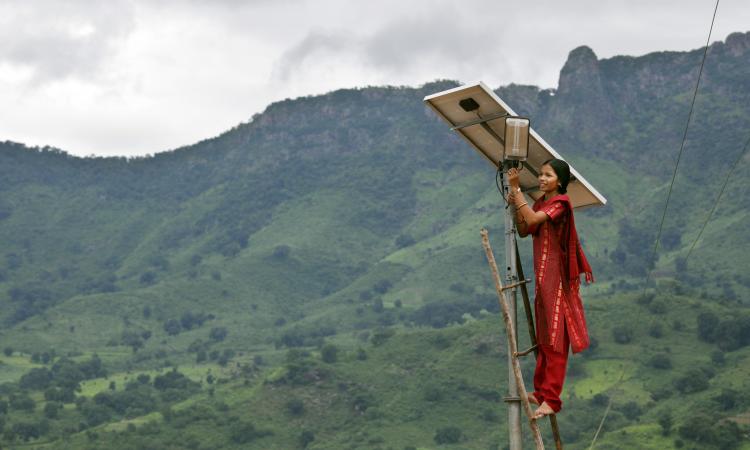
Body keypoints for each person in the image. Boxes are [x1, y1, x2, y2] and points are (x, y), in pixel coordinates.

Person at [506, 158, 594, 420]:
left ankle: (552, 400)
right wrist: (515, 205)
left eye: (548, 175)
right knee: (544, 339)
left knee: (556, 341)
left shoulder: (561, 204)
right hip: (544, 279)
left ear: (560, 181)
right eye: (541, 175)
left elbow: (532, 218)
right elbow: (525, 228)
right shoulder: (541, 203)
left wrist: (517, 189)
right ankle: (542, 392)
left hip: (558, 281)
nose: (542, 179)